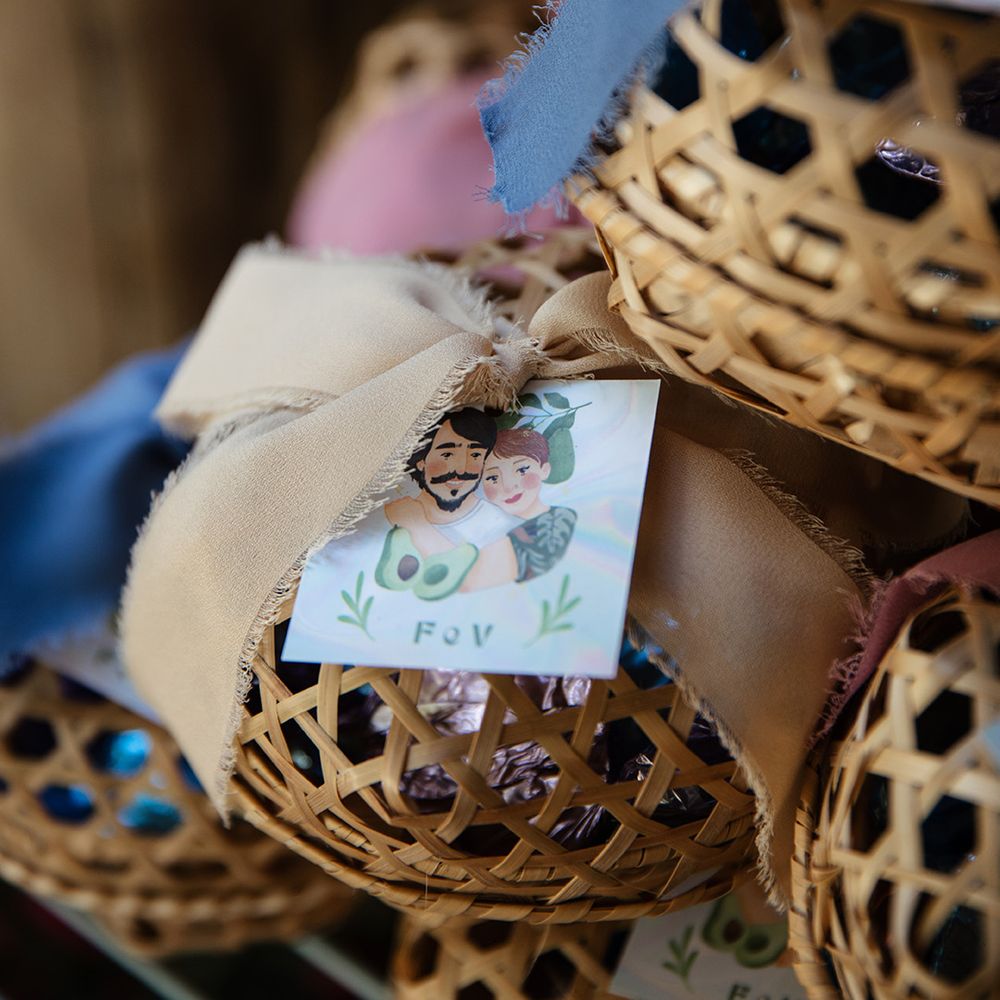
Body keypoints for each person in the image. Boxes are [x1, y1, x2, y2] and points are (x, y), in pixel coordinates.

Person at [389, 426, 576, 591]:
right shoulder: (490, 520)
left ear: (545, 470)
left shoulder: (557, 521)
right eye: (492, 478)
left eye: (522, 470)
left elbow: (468, 579)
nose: (508, 486)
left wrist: (415, 523)